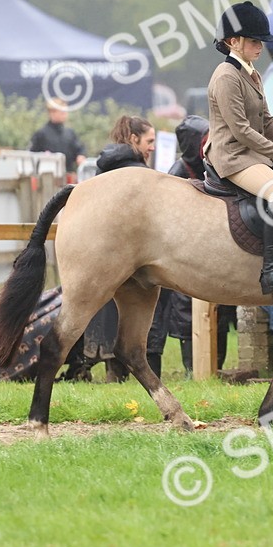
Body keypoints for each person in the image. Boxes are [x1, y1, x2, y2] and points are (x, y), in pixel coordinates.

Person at [205, 1, 273, 295]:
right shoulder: (227, 77)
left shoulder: (251, 73)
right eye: (253, 41)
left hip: (249, 154)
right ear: (233, 41)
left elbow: (267, 122)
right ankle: (271, 271)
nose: (259, 47)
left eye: (260, 41)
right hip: (232, 156)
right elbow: (241, 131)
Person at [157, 113, 236, 377]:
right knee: (185, 312)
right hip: (184, 257)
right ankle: (194, 371)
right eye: (203, 140)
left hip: (215, 254)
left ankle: (217, 369)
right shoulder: (176, 176)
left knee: (221, 310)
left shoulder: (215, 167)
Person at [83, 115, 157, 381]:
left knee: (104, 310)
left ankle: (105, 370)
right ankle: (117, 374)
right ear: (134, 139)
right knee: (123, 310)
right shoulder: (134, 172)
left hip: (103, 249)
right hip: (123, 251)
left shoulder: (107, 164)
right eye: (149, 141)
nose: (153, 147)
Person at [29, 99, 87, 179]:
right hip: (47, 178)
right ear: (52, 113)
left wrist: (81, 156)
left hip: (68, 178)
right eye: (62, 112)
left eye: (66, 112)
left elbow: (79, 150)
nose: (65, 115)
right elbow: (32, 156)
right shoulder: (41, 134)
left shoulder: (70, 133)